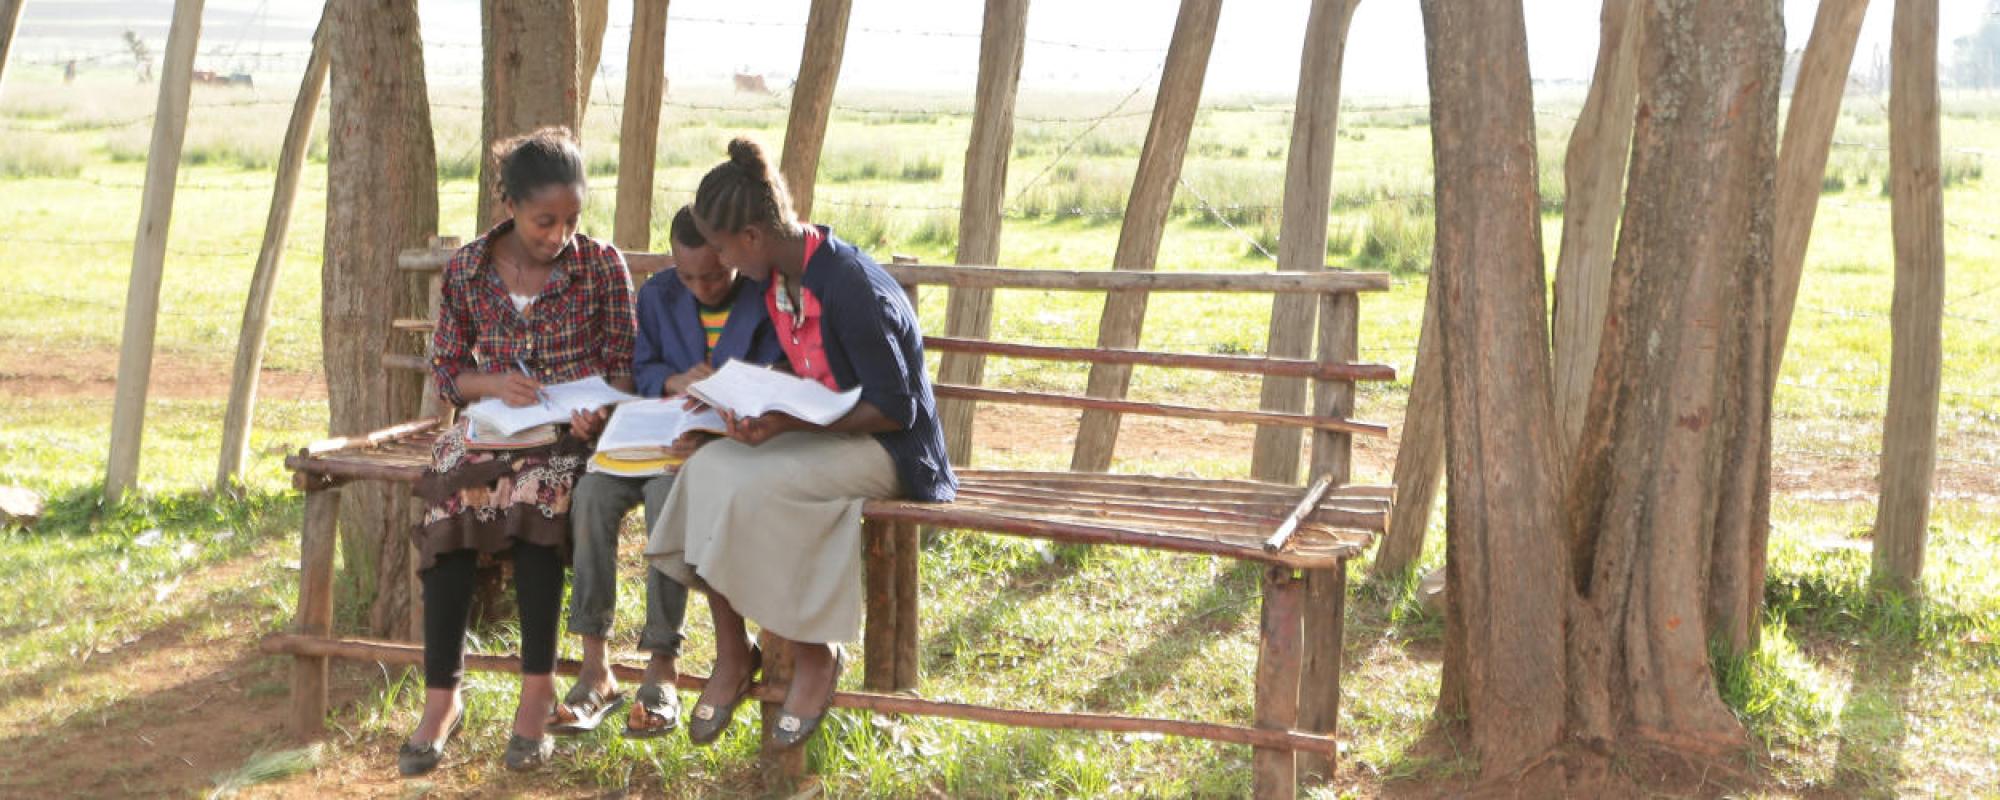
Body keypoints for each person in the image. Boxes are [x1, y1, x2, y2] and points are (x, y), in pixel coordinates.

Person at [645, 137, 956, 749]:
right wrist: (759, 407)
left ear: (754, 237)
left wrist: (790, 425)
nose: (722, 260)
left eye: (724, 247)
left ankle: (817, 653)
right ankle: (734, 652)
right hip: (827, 434)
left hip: (892, 451)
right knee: (706, 472)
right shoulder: (780, 277)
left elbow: (897, 409)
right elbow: (808, 373)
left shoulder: (850, 286)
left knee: (762, 486)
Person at [399, 127, 637, 776]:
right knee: (449, 493)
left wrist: (598, 408)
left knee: (540, 495)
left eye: (571, 219)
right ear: (508, 205)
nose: (559, 234)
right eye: (544, 221)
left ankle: (537, 692)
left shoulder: (600, 266)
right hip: (491, 428)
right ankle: (442, 696)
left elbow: (624, 368)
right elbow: (449, 372)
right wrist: (493, 384)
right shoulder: (469, 270)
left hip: (569, 438)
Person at [553, 206, 785, 739]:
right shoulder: (658, 294)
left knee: (665, 498)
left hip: (710, 448)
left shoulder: (760, 297)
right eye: (688, 276)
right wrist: (676, 379)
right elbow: (644, 366)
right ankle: (595, 663)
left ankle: (662, 663)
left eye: (713, 273)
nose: (701, 286)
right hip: (651, 432)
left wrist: (727, 389)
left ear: (731, 257)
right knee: (590, 494)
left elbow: (775, 371)